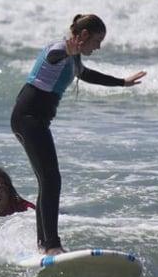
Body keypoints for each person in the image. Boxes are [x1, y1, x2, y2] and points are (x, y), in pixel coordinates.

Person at [10, 14, 146, 255]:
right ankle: (51, 245)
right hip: (28, 118)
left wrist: (122, 83)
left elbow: (87, 75)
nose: (99, 46)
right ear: (83, 35)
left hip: (35, 120)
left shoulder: (73, 59)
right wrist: (67, 52)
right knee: (51, 180)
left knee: (48, 180)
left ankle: (45, 243)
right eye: (97, 40)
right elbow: (53, 57)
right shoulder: (60, 49)